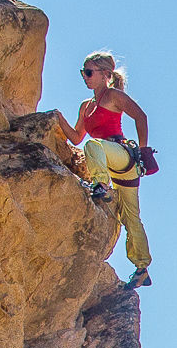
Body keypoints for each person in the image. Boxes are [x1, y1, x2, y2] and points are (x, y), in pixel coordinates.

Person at [52, 51, 155, 288]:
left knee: (94, 145)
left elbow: (141, 116)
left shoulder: (114, 96)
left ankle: (101, 185)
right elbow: (76, 138)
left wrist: (143, 150)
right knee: (130, 215)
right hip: (112, 161)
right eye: (83, 72)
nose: (85, 77)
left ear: (105, 75)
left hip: (122, 155)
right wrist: (58, 119)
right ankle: (142, 269)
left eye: (89, 72)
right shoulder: (85, 106)